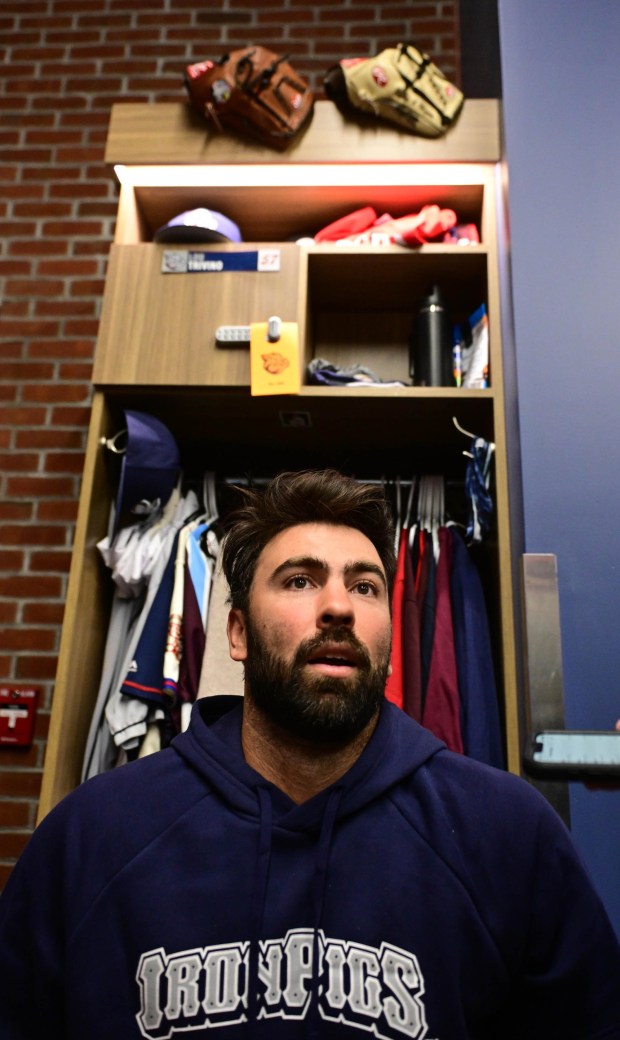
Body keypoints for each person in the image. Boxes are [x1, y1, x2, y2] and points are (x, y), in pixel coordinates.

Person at [1, 468, 619, 1040]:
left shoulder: (505, 833)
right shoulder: (94, 836)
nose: (339, 606)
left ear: (388, 632)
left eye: (366, 586)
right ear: (236, 633)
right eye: (300, 580)